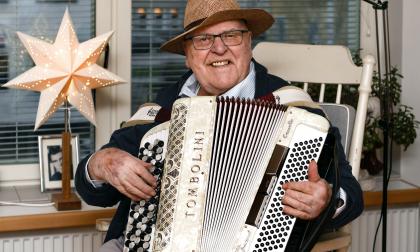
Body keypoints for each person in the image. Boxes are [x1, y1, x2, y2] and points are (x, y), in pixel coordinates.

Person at [75, 0, 364, 251]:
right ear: (187, 55)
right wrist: (102, 163)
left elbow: (350, 194)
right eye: (203, 39)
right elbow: (95, 191)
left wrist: (325, 200)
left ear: (249, 44)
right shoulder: (162, 108)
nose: (219, 47)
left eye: (232, 35)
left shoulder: (294, 109)